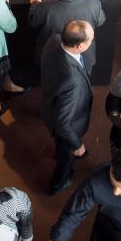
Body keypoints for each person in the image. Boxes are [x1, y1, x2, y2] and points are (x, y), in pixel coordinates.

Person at [41, 21, 94, 195]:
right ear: (80, 46)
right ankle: (58, 183)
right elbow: (63, 124)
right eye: (90, 40)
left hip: (51, 104)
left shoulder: (54, 39)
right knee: (66, 157)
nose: (91, 43)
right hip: (69, 124)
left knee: (60, 143)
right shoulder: (73, 81)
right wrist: (77, 145)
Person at [28, 0, 105, 74]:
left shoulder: (42, 8)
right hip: (84, 61)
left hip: (50, 61)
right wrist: (88, 0)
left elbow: (32, 22)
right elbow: (101, 21)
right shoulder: (94, 4)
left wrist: (35, 2)